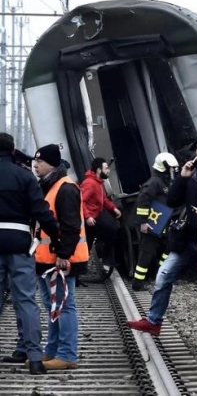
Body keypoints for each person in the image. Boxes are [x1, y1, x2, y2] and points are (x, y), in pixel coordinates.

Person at [127, 142, 197, 352]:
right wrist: (182, 178)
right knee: (163, 275)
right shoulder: (189, 178)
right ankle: (154, 321)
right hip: (188, 240)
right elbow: (172, 200)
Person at [0, 133, 58, 374]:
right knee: (25, 299)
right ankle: (34, 358)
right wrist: (57, 237)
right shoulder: (25, 176)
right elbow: (42, 212)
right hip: (19, 242)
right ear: (13, 151)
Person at [33, 143, 89, 370]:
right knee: (52, 306)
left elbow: (71, 225)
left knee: (64, 306)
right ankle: (52, 351)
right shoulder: (50, 186)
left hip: (62, 259)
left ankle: (67, 354)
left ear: (53, 164)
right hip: (46, 258)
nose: (36, 165)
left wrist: (63, 254)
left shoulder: (65, 188)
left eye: (41, 162)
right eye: (35, 161)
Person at [131, 152, 178, 291]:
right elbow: (143, 200)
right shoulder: (154, 182)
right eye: (170, 168)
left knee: (168, 249)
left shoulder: (163, 182)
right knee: (146, 253)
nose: (173, 171)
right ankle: (137, 283)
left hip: (162, 224)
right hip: (152, 224)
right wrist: (143, 222)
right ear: (163, 167)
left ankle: (161, 274)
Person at [80, 157, 122, 271]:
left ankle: (101, 260)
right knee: (110, 229)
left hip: (96, 215)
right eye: (106, 168)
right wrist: (87, 217)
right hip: (91, 217)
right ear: (99, 170)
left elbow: (104, 199)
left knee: (109, 229)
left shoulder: (98, 182)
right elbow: (81, 201)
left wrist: (114, 209)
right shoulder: (90, 183)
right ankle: (81, 269)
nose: (108, 170)